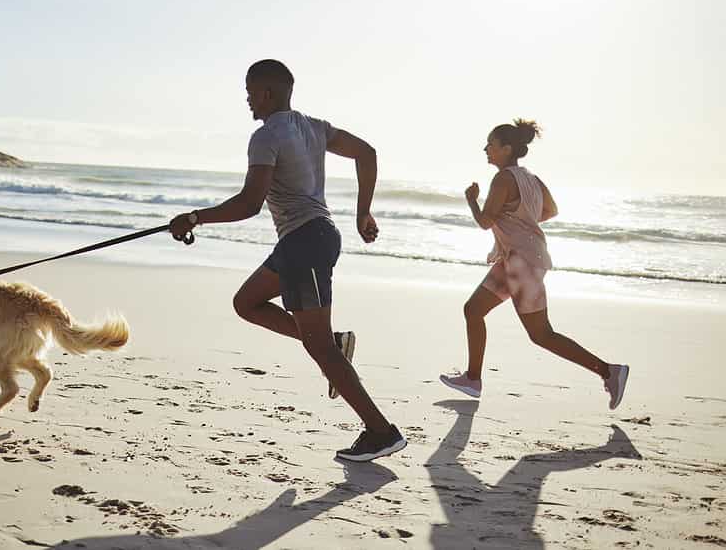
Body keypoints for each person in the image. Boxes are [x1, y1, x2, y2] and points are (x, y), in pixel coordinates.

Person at [169, 59, 405, 461]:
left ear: (267, 92)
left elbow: (250, 203)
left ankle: (381, 432)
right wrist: (362, 211)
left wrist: (194, 218)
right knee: (247, 303)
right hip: (311, 238)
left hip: (304, 244)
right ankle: (336, 344)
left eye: (250, 92)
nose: (247, 100)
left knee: (319, 348)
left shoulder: (265, 137)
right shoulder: (314, 127)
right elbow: (366, 153)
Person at [439, 119, 629, 408]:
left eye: (491, 144)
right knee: (473, 310)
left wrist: (472, 200)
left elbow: (485, 221)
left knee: (541, 334)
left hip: (522, 263)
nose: (486, 149)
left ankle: (609, 371)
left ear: (506, 148)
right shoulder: (530, 177)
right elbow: (550, 210)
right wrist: (521, 221)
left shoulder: (503, 179)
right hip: (515, 258)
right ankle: (473, 379)